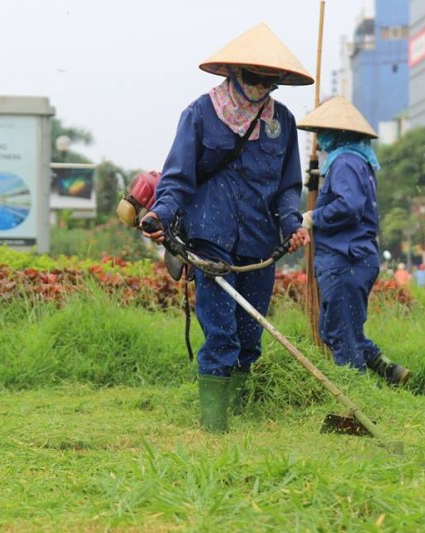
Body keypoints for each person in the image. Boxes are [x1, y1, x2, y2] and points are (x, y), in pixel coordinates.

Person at [140, 23, 313, 433]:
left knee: (250, 338)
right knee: (221, 335)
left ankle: (241, 417)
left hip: (260, 242)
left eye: (270, 81)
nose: (261, 87)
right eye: (254, 77)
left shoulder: (282, 123)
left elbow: (289, 188)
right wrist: (160, 216)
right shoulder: (200, 113)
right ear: (233, 72)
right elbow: (177, 178)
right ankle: (215, 429)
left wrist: (292, 224)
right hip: (209, 238)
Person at [297, 96, 411, 386]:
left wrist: (314, 217)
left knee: (340, 334)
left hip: (345, 257)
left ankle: (355, 400)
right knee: (335, 328)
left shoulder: (345, 162)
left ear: (337, 133)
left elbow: (348, 206)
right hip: (351, 257)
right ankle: (388, 369)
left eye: (322, 133)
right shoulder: (354, 161)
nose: (319, 141)